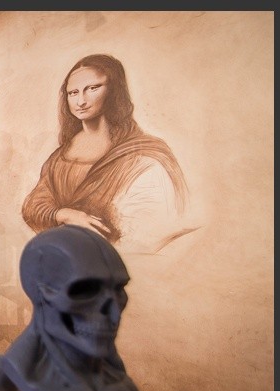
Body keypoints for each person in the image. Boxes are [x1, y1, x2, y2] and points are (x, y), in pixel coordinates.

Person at [0, 225, 145, 391]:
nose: (114, 314)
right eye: (84, 291)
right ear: (41, 294)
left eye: (119, 290)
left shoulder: (112, 371)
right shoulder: (23, 367)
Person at [21, 54, 195, 254]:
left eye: (93, 88)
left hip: (122, 260)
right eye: (73, 93)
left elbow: (149, 230)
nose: (81, 100)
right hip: (67, 257)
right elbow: (33, 205)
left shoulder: (143, 154)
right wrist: (66, 215)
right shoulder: (59, 157)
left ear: (114, 90)